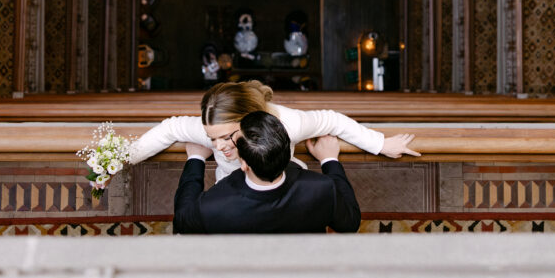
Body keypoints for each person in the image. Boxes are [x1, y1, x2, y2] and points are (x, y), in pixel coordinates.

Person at [129, 80, 420, 181]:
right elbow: (169, 129)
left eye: (226, 137)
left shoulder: (288, 123)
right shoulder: (210, 129)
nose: (217, 146)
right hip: (232, 191)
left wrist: (379, 143)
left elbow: (331, 120)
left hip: (284, 181)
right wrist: (118, 159)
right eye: (210, 138)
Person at [173, 111, 361, 234]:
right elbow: (350, 223)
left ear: (245, 164)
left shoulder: (213, 204)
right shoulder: (322, 188)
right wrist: (330, 160)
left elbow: (182, 222)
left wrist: (196, 159)